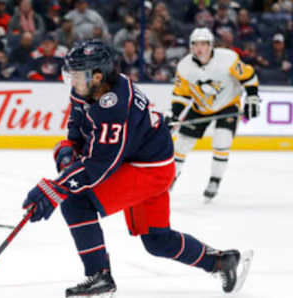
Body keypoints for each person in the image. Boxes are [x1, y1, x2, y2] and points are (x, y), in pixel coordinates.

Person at [21, 40, 253, 297]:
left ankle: (99, 277)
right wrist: (67, 151)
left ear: (97, 76)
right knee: (157, 240)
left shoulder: (114, 107)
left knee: (76, 201)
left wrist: (57, 187)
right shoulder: (90, 88)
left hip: (148, 170)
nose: (72, 81)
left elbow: (99, 166)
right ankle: (221, 262)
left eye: (76, 75)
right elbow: (77, 127)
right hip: (145, 162)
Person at [166, 27, 260, 200]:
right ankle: (170, 179)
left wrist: (252, 97)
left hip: (228, 104)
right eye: (195, 44)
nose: (199, 48)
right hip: (200, 108)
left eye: (204, 44)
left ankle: (215, 180)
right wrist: (175, 114)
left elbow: (248, 76)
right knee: (181, 145)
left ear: (211, 45)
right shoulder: (184, 66)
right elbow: (181, 94)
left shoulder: (228, 58)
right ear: (190, 46)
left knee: (222, 140)